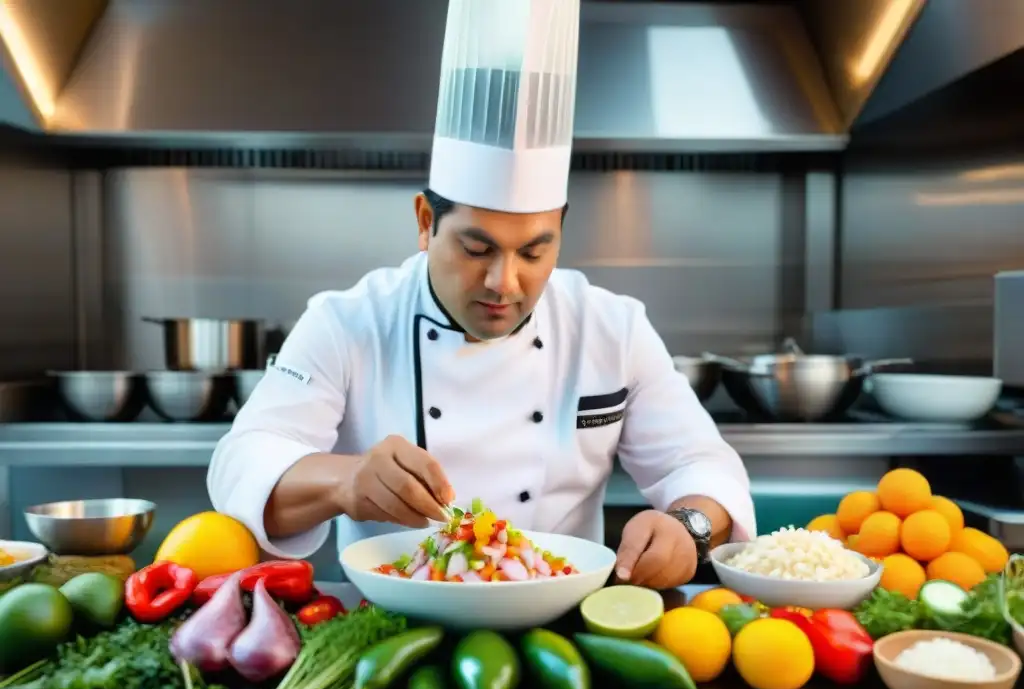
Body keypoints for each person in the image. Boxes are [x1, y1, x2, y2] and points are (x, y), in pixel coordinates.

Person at [207, 0, 756, 590]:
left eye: (534, 252)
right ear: (425, 221)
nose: (505, 282)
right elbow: (243, 461)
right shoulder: (349, 323)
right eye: (476, 249)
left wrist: (689, 526)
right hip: (396, 627)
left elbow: (700, 462)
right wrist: (346, 480)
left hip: (562, 626)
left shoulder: (610, 327)